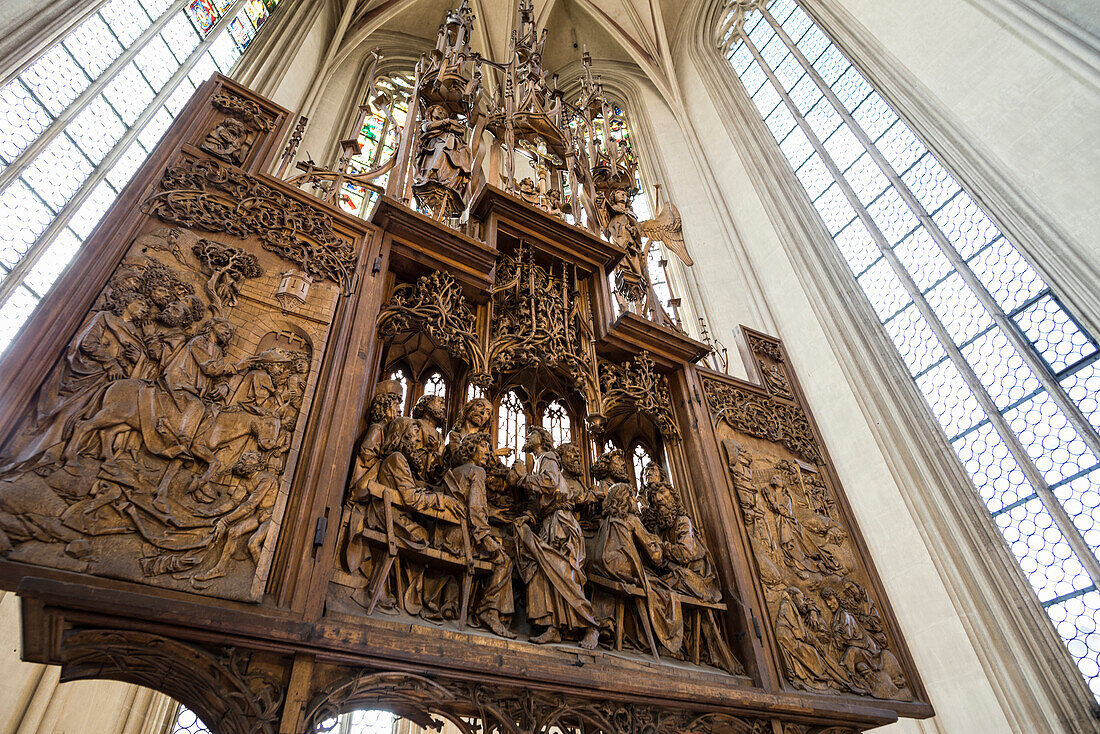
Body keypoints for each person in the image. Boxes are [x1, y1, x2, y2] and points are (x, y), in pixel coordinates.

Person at [511, 426, 599, 648]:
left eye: (532, 434)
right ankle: (553, 627)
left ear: (542, 440)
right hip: (549, 522)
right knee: (546, 573)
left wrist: (522, 477)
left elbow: (549, 484)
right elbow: (536, 497)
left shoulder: (548, 457)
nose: (527, 437)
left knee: (565, 573)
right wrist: (528, 515)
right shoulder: (539, 462)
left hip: (561, 522)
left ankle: (590, 626)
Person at [590, 482, 683, 653]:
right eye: (632, 497)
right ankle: (666, 643)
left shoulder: (605, 520)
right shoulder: (632, 519)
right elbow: (655, 556)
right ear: (626, 499)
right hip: (624, 570)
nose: (635, 501)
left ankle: (602, 625)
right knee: (667, 592)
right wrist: (658, 545)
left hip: (602, 567)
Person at [438, 432, 515, 637]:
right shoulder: (478, 471)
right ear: (472, 448)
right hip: (465, 537)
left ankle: (451, 603)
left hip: (447, 534)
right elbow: (475, 510)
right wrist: (485, 537)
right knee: (504, 560)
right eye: (484, 448)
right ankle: (488, 611)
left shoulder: (455, 471)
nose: (488, 453)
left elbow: (464, 504)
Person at [650, 481, 721, 603]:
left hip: (695, 577)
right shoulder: (659, 529)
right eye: (654, 497)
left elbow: (685, 554)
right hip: (674, 572)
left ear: (673, 497)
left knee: (656, 588)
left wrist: (663, 546)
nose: (658, 499)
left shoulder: (682, 521)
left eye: (662, 493)